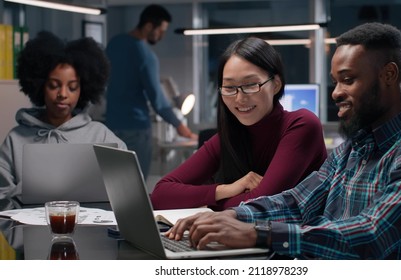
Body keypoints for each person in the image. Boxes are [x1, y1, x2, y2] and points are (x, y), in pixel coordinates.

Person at [166, 22, 401, 259]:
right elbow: (297, 203)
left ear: (388, 75)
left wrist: (259, 234)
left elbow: (370, 237)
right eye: (335, 81)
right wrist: (232, 217)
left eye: (348, 79)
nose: (335, 93)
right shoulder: (352, 150)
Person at [151, 37, 327, 211]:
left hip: (297, 237)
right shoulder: (229, 136)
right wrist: (225, 190)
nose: (240, 98)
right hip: (241, 236)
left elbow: (262, 204)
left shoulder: (302, 124)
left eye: (250, 85)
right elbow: (160, 194)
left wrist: (204, 203)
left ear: (276, 84)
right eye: (229, 87)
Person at [0, 31, 126, 209]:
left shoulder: (101, 137)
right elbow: (2, 199)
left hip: (91, 232)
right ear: (39, 85)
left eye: (72, 87)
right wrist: (30, 189)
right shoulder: (15, 139)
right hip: (26, 233)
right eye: (53, 85)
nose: (63, 94)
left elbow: (126, 190)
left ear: (84, 89)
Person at [105, 4, 197, 179]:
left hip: (111, 126)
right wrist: (180, 126)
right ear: (148, 26)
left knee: (114, 181)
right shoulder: (146, 56)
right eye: (161, 31)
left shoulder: (114, 44)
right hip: (136, 129)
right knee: (136, 181)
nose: (161, 36)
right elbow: (158, 101)